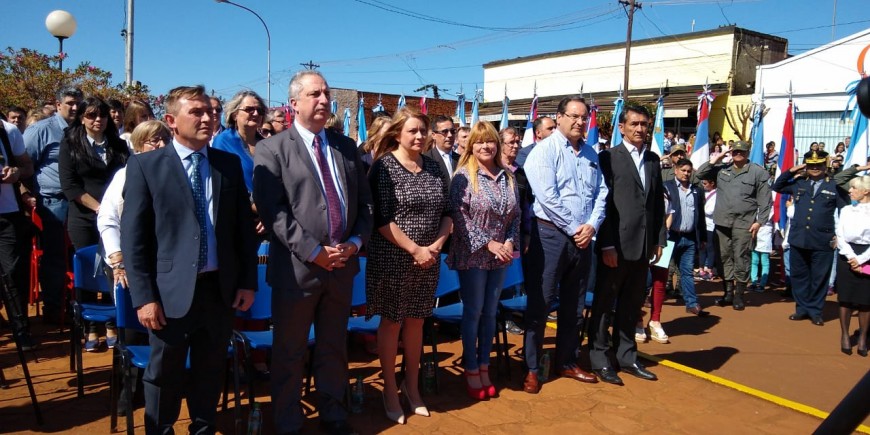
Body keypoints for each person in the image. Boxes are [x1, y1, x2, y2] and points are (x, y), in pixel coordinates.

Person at [122, 85, 258, 434]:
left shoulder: (227, 164)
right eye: (196, 112)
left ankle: (202, 428)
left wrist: (247, 281)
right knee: (163, 374)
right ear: (171, 121)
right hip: (168, 294)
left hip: (218, 290)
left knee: (210, 371)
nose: (208, 117)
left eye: (210, 111)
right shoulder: (145, 166)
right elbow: (134, 240)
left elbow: (243, 230)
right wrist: (145, 297)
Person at [252, 70, 372, 435]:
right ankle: (288, 422)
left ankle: (333, 415)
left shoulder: (345, 147)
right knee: (290, 353)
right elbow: (274, 212)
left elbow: (365, 206)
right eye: (315, 94)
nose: (323, 100)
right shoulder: (272, 149)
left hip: (341, 268)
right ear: (294, 104)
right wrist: (314, 251)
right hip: (296, 271)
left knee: (334, 347)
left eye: (326, 93)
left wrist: (353, 244)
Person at [365, 106, 451, 424]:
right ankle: (389, 389)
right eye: (412, 130)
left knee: (417, 321)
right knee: (392, 322)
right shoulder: (383, 167)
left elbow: (448, 212)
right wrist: (415, 249)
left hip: (429, 260)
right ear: (397, 133)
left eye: (422, 130)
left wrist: (435, 247)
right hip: (393, 258)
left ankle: (412, 389)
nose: (418, 135)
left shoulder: (434, 167)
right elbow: (381, 219)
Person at [523, 96, 606, 392]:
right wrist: (575, 229)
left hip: (583, 238)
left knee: (574, 305)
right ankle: (532, 367)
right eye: (573, 116)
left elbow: (602, 194)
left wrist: (592, 226)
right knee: (541, 303)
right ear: (558, 118)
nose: (579, 122)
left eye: (584, 117)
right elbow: (547, 197)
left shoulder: (591, 154)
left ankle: (567, 361)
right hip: (550, 236)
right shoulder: (543, 151)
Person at [589, 104, 665, 385]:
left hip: (643, 246)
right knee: (604, 304)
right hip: (615, 246)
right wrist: (606, 244)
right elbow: (603, 203)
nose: (640, 129)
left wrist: (658, 240)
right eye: (634, 124)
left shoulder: (654, 160)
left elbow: (656, 203)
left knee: (631, 305)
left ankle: (627, 355)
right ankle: (598, 357)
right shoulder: (607, 158)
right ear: (621, 127)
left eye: (644, 124)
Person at [447, 121, 519, 400]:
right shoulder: (463, 177)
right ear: (470, 146)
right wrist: (489, 244)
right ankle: (471, 366)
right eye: (479, 142)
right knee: (474, 311)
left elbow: (515, 217)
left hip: (500, 256)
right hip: (473, 255)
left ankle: (485, 364)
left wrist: (509, 243)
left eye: (490, 141)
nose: (485, 146)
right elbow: (459, 218)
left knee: (491, 312)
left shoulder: (508, 177)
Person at [59, 97, 130, 350]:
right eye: (91, 115)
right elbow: (71, 186)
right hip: (84, 217)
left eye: (102, 115)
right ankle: (90, 329)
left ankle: (112, 322)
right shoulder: (69, 144)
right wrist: (102, 209)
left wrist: (112, 211)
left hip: (117, 219)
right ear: (81, 118)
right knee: (90, 270)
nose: (97, 120)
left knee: (114, 268)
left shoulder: (119, 145)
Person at [24, 86, 84, 325]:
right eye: (70, 102)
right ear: (58, 104)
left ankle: (79, 305)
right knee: (56, 256)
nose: (75, 107)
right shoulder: (41, 130)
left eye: (78, 102)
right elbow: (26, 166)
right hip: (53, 202)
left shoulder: (84, 130)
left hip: (82, 201)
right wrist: (28, 195)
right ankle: (54, 308)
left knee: (80, 254)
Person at [772, 151, 849, 326]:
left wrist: (839, 235)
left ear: (825, 166)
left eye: (819, 165)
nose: (815, 168)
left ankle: (815, 311)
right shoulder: (799, 183)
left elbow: (845, 212)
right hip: (799, 238)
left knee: (819, 276)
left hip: (823, 239)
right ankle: (801, 309)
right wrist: (793, 169)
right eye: (811, 165)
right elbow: (777, 186)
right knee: (799, 275)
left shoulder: (835, 186)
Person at [696, 140, 771, 311]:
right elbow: (700, 174)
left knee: (741, 258)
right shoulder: (722, 169)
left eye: (742, 151)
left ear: (747, 153)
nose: (738, 154)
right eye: (735, 151)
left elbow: (765, 201)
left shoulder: (757, 172)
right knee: (724, 257)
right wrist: (717, 158)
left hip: (744, 223)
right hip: (722, 222)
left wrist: (760, 222)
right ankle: (728, 292)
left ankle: (739, 295)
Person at [0, 119, 36, 350]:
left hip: (8, 213)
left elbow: (28, 167)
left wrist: (16, 173)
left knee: (13, 274)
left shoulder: (8, 130)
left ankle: (21, 330)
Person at [664, 158, 709, 316]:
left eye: (689, 171)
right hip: (669, 236)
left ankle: (691, 303)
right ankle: (649, 296)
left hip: (689, 238)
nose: (686, 173)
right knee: (660, 269)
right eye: (683, 170)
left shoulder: (697, 190)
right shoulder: (667, 187)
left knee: (687, 272)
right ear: (675, 170)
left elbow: (700, 215)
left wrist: (702, 237)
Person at [835, 175, 870, 356]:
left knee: (866, 301)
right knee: (846, 299)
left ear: (866, 191)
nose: (850, 191)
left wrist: (862, 260)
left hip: (867, 257)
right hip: (846, 257)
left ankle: (863, 337)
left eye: (854, 188)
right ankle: (845, 336)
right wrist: (851, 257)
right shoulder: (847, 210)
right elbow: (840, 235)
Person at [212, 90, 267, 194]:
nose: (256, 113)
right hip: (239, 206)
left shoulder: (267, 144)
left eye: (260, 110)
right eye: (249, 109)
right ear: (235, 115)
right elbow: (221, 181)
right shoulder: (223, 141)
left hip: (268, 206)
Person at [425, 115, 459, 185]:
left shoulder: (461, 159)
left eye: (452, 131)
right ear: (434, 135)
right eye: (444, 131)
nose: (450, 135)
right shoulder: (425, 160)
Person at [699, 177, 718, 280]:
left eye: (705, 183)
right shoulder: (703, 193)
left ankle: (710, 269)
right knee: (701, 247)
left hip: (710, 225)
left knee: (710, 247)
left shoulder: (716, 194)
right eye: (703, 183)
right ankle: (701, 268)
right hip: (702, 225)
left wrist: (700, 210)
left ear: (712, 183)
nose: (704, 185)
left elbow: (710, 210)